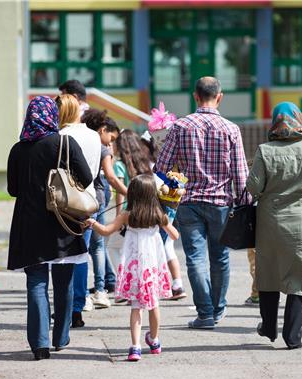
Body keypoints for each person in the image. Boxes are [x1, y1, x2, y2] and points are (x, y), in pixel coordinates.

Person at [155, 76, 250, 329]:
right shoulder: (231, 129)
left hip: (189, 202)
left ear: (195, 96)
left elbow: (161, 167)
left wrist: (171, 188)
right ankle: (218, 310)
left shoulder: (180, 127)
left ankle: (205, 313)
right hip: (221, 203)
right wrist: (245, 202)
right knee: (220, 258)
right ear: (219, 97)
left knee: (195, 259)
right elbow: (240, 174)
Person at [7, 96, 92, 360]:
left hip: (28, 223)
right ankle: (61, 337)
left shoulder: (18, 150)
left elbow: (12, 190)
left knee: (36, 283)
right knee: (64, 281)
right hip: (62, 220)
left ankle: (40, 344)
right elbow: (87, 177)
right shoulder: (64, 142)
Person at [247, 102, 302, 349]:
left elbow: (253, 187)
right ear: (299, 120)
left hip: (270, 223)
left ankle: (269, 328)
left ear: (275, 121)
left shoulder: (265, 151)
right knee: (299, 280)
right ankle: (292, 337)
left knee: (269, 276)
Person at [85, 174, 178, 361]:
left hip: (134, 268)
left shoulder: (127, 215)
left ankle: (135, 347)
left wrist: (93, 222)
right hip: (152, 267)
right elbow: (175, 235)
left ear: (133, 194)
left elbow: (106, 231)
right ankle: (154, 340)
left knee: (136, 307)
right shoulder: (159, 215)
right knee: (154, 305)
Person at [56, 95, 102, 327]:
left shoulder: (61, 136)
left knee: (63, 255)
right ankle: (78, 307)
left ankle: (65, 306)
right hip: (89, 198)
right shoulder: (94, 135)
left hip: (67, 200)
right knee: (82, 253)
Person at [81, 109, 126, 308]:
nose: (111, 143)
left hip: (81, 200)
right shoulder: (101, 148)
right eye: (111, 137)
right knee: (97, 247)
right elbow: (111, 177)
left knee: (83, 247)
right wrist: (130, 193)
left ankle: (82, 293)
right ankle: (100, 291)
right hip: (97, 199)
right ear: (102, 129)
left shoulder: (80, 142)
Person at [141, 131, 187, 300]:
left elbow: (172, 185)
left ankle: (166, 284)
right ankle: (175, 284)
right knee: (166, 245)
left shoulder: (165, 162)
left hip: (165, 206)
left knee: (161, 245)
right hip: (167, 205)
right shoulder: (172, 160)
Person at [107, 129, 153, 290]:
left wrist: (118, 216)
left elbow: (120, 194)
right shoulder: (144, 163)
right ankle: (138, 281)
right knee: (137, 251)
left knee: (112, 247)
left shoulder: (120, 165)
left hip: (128, 213)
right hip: (146, 212)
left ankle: (127, 282)